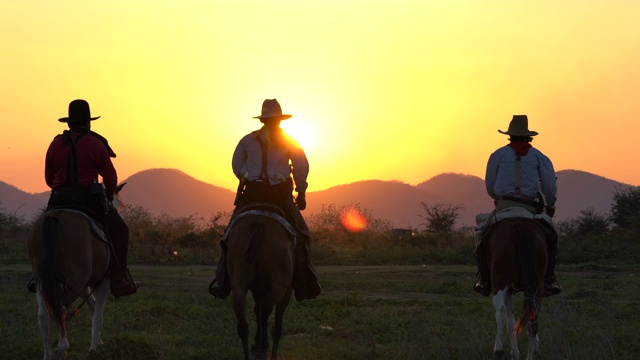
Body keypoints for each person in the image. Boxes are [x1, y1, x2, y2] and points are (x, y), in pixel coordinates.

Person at [209, 98, 321, 301]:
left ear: (262, 120)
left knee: (229, 235)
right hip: (279, 196)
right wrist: (301, 192)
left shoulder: (247, 140)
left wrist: (248, 177)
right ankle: (306, 284)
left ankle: (223, 282)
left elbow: (236, 165)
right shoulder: (290, 142)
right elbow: (301, 168)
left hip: (251, 194)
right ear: (279, 120)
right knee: (303, 234)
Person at [28, 99, 137, 297]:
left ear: (69, 123)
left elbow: (48, 179)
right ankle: (119, 280)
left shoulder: (54, 144)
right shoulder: (96, 143)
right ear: (88, 122)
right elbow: (110, 178)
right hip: (88, 201)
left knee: (42, 229)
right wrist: (108, 195)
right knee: (121, 230)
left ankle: (37, 275)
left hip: (57, 200)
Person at [474, 114, 562, 297]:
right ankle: (547, 280)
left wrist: (499, 197)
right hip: (530, 209)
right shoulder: (540, 157)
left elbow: (490, 187)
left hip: (504, 206)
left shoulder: (497, 155)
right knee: (552, 236)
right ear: (528, 136)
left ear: (510, 135)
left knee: (481, 236)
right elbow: (549, 187)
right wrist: (550, 205)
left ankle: (484, 280)